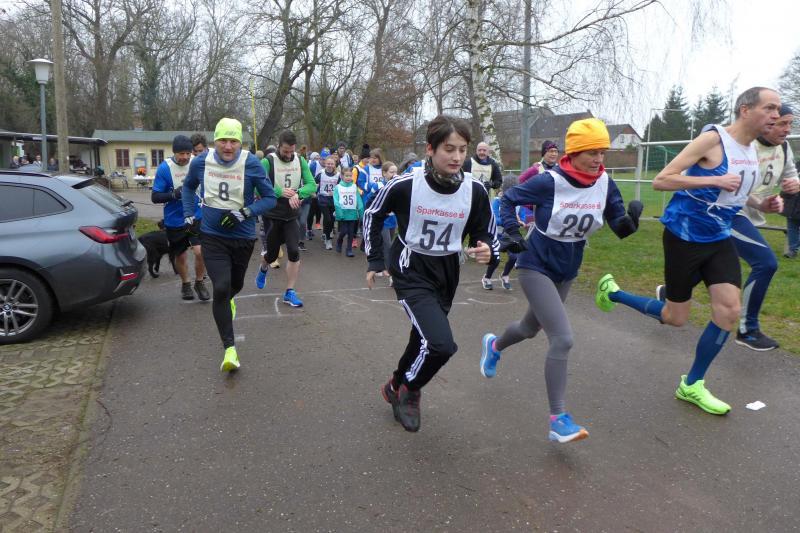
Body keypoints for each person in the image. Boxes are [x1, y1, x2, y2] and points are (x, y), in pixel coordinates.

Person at [595, 87, 783, 415]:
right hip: (684, 237)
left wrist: (760, 204)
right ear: (745, 110)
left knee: (729, 311)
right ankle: (613, 293)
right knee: (675, 317)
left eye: (778, 109)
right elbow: (662, 180)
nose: (776, 115)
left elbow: (736, 190)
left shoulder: (751, 148)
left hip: (719, 237)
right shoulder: (713, 140)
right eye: (769, 108)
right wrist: (712, 181)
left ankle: (692, 384)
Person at [480, 119, 643, 443]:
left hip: (567, 270)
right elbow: (508, 199)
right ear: (575, 152)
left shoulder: (605, 183)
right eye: (592, 152)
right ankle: (558, 419)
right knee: (563, 339)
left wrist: (632, 220)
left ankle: (494, 346)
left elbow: (619, 226)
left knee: (529, 328)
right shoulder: (549, 182)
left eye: (602, 152)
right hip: (535, 265)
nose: (598, 159)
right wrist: (511, 231)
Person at [364, 115, 496, 432]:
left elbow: (485, 231)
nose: (457, 157)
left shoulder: (475, 190)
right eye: (449, 149)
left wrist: (486, 248)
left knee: (421, 336)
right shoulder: (406, 185)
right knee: (440, 344)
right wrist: (375, 259)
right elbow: (373, 213)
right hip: (411, 268)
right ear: (430, 149)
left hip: (447, 271)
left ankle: (394, 384)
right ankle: (409, 390)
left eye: (462, 150)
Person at [182, 118, 276, 372]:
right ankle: (230, 350)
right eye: (223, 140)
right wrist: (189, 214)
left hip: (242, 237)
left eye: (233, 141)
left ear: (240, 143)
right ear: (214, 141)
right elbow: (188, 188)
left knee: (236, 285)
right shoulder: (201, 162)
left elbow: (269, 198)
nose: (228, 146)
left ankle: (228, 300)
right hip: (212, 236)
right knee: (221, 288)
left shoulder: (251, 163)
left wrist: (245, 212)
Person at [731, 104, 800, 350]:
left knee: (714, 266)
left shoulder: (784, 147)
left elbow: (791, 174)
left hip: (752, 216)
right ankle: (747, 329)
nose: (787, 129)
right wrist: (760, 203)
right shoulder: (744, 145)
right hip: (729, 213)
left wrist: (794, 184)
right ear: (766, 122)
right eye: (782, 123)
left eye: (790, 123)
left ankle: (672, 293)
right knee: (766, 263)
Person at [259, 129, 316, 306]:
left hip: (291, 216)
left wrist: (298, 194)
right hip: (272, 215)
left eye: (292, 151)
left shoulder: (300, 160)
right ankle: (263, 267)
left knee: (293, 251)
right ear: (279, 146)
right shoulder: (267, 161)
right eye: (285, 151)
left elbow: (312, 185)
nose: (289, 155)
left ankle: (289, 292)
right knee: (272, 255)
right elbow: (257, 186)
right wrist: (278, 191)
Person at [152, 134, 210, 301]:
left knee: (200, 252)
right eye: (181, 154)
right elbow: (155, 197)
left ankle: (200, 282)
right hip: (175, 219)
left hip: (196, 216)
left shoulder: (196, 164)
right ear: (174, 152)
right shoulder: (164, 168)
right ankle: (186, 284)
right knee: (181, 255)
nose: (185, 157)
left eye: (188, 153)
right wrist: (173, 194)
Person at [480, 175, 522, 290]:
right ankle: (487, 278)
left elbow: (522, 216)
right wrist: (510, 221)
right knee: (496, 259)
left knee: (514, 257)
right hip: (496, 235)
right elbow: (495, 219)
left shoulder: (517, 203)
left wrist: (523, 221)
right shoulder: (497, 202)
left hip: (509, 235)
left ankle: (505, 275)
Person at [333, 166, 363, 257]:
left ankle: (349, 249)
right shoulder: (338, 187)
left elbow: (358, 200)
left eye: (350, 176)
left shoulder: (354, 186)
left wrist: (361, 212)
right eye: (346, 176)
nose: (348, 178)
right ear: (342, 176)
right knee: (343, 231)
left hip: (352, 213)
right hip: (342, 212)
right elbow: (336, 201)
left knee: (351, 232)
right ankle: (339, 241)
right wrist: (339, 213)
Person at [316, 155, 340, 249]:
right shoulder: (321, 173)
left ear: (334, 165)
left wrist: (336, 192)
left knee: (332, 220)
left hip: (333, 200)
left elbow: (341, 186)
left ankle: (326, 232)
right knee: (327, 218)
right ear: (325, 164)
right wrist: (314, 192)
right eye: (328, 163)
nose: (330, 165)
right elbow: (314, 183)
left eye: (331, 164)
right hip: (323, 199)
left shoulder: (338, 175)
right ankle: (328, 239)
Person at [783, 161, 800, 258]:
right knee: (792, 227)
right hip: (792, 204)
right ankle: (793, 250)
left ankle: (794, 248)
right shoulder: (796, 166)